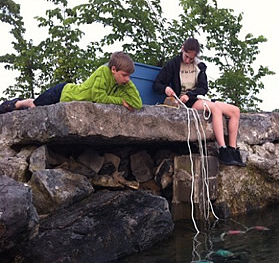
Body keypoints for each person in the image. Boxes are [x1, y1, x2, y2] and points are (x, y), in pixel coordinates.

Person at [153, 38, 245, 167]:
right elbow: (157, 84)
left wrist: (190, 94)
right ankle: (222, 149)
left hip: (196, 97)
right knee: (216, 108)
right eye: (186, 57)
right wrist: (166, 89)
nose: (188, 60)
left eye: (191, 58)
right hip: (184, 102)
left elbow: (203, 88)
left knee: (235, 111)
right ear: (182, 49)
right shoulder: (173, 64)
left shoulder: (199, 66)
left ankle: (232, 149)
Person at [0, 51, 142, 114]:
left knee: (35, 107)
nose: (127, 79)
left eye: (129, 76)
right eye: (124, 75)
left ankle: (23, 104)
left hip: (66, 96)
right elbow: (98, 97)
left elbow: (137, 104)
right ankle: (17, 103)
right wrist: (121, 101)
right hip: (62, 92)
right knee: (34, 107)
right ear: (113, 69)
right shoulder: (103, 72)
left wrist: (128, 83)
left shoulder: (122, 83)